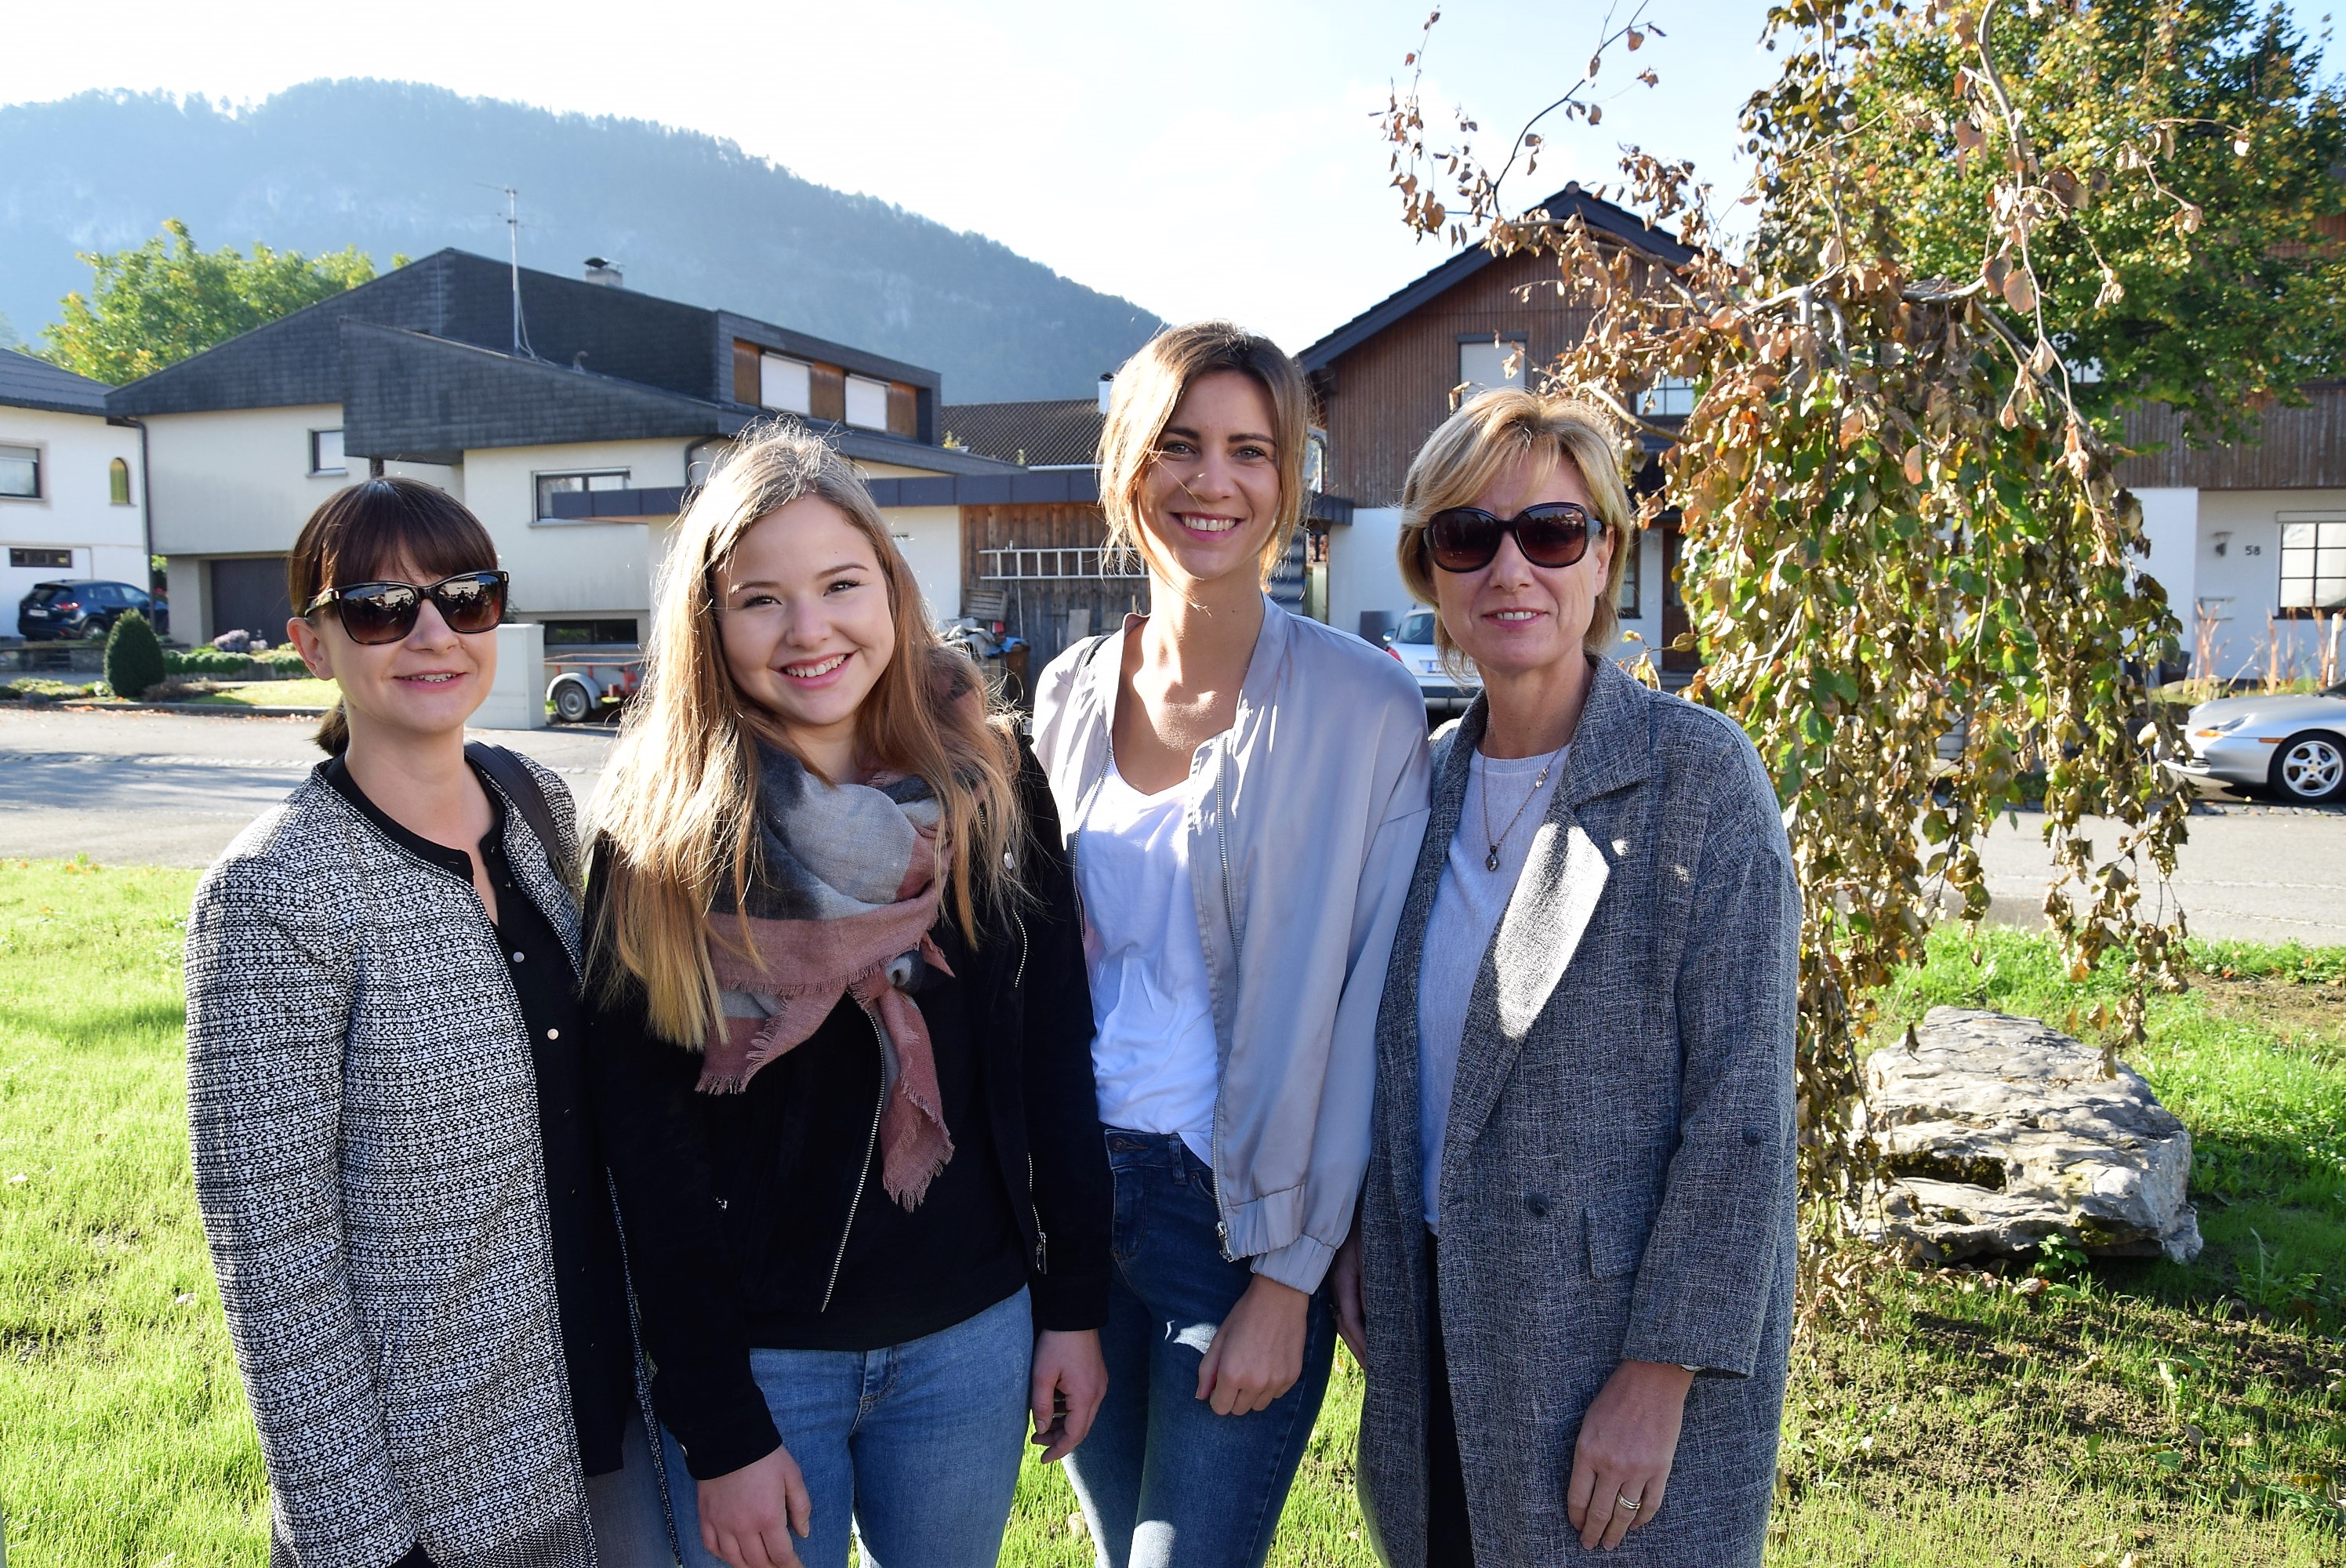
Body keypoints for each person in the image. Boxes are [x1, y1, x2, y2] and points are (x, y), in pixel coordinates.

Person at [582, 423, 1110, 1568]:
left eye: (840, 584)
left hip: (969, 1337)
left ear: (891, 588)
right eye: (760, 600)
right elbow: (647, 1158)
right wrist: (720, 1423)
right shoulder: (660, 832)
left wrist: (1074, 1302)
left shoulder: (988, 782)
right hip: (764, 1366)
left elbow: (1052, 1056)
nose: (810, 630)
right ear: (708, 625)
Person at [1336, 389, 1799, 1566]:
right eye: (1468, 536)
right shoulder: (1418, 784)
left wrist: (1661, 1373)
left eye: (1551, 532)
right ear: (1431, 572)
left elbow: (1744, 1112)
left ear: (1603, 560)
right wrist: (1358, 1239)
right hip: (1433, 1330)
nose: (1511, 570)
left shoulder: (1698, 776)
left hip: (1612, 1355)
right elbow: (1391, 1063)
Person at [184, 477, 669, 1568]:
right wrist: (359, 1539)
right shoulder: (274, 892)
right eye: (379, 609)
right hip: (434, 1489)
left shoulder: (536, 801)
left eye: (466, 596)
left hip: (615, 1420)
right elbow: (272, 1253)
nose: (433, 633)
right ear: (312, 644)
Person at [1031, 321, 1432, 1568]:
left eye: (1251, 451)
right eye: (1180, 445)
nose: (1214, 481)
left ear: (1288, 480)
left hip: (1236, 1231)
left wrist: (1288, 1281)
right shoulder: (1065, 693)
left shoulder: (1365, 706)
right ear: (1126, 467)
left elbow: (1370, 1013)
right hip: (1081, 1212)